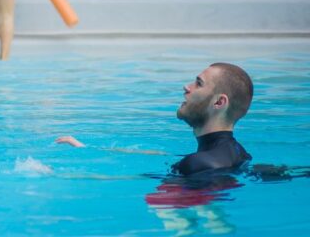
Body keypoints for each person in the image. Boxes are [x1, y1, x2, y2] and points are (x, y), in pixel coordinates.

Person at [57, 62, 254, 175]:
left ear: (219, 103)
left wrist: (64, 174)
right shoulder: (239, 154)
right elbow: (166, 157)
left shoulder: (197, 165)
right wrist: (89, 150)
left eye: (198, 83)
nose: (187, 87)